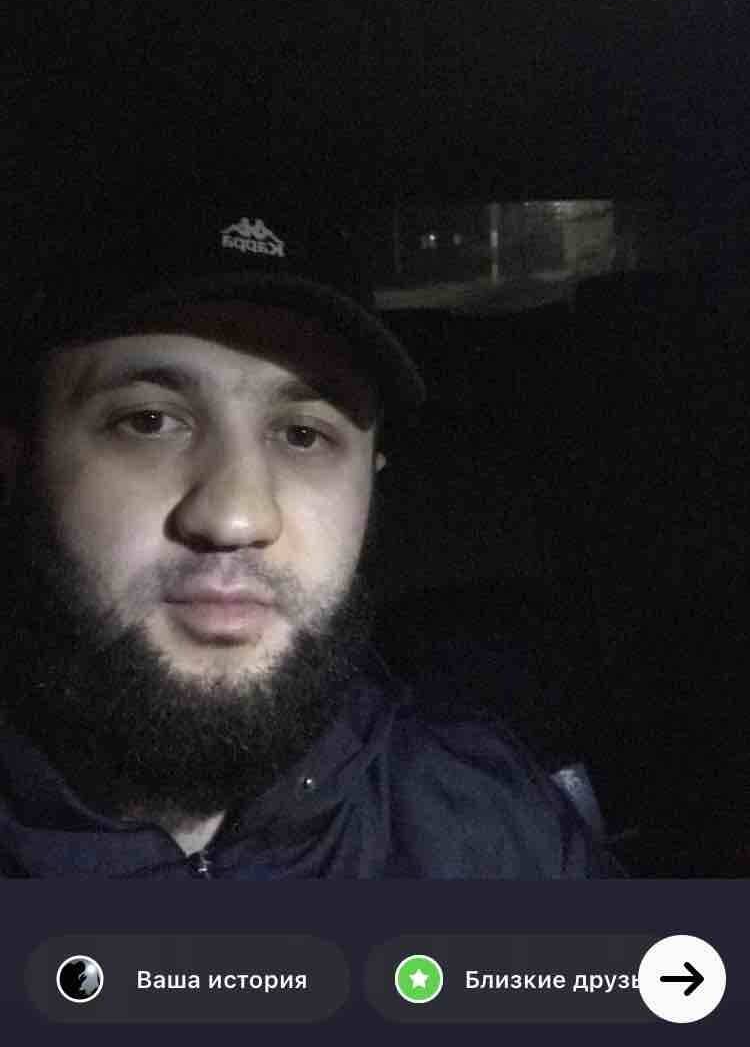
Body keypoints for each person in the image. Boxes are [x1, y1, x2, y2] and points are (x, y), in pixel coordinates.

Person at [0, 189, 625, 878]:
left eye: (303, 434)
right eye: (148, 422)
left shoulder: (497, 830)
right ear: (18, 462)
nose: (236, 518)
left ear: (371, 481)